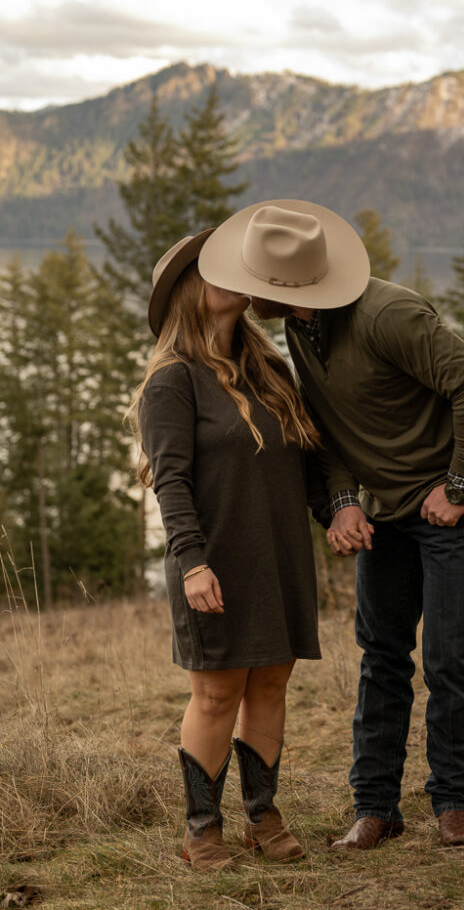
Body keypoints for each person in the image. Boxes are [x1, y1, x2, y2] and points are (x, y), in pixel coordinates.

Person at [198, 200, 464, 852]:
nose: (246, 291)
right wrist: (342, 500)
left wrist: (457, 486)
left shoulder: (389, 315)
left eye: (256, 282)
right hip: (385, 511)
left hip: (453, 504)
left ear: (290, 288)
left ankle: (453, 803)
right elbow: (326, 427)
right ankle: (375, 807)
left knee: (449, 657)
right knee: (381, 657)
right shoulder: (298, 331)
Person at [128, 229, 328, 871]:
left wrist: (343, 512)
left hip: (279, 554)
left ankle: (263, 818)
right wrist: (192, 562)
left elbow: (308, 462)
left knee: (270, 683)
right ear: (190, 287)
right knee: (216, 694)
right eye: (216, 267)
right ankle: (201, 832)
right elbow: (172, 482)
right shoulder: (172, 382)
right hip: (212, 559)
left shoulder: (267, 369)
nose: (235, 274)